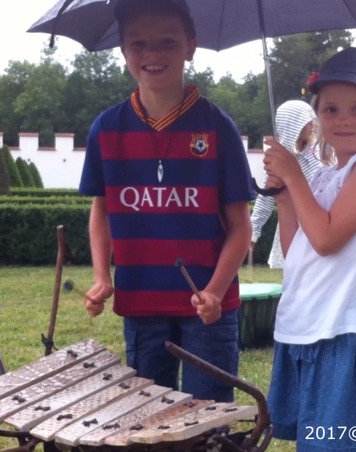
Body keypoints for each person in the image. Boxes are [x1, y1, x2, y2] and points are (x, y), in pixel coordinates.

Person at [78, 0, 255, 403]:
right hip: (141, 302)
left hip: (208, 310)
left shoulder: (217, 127)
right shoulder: (106, 129)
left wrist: (214, 290)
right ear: (123, 50)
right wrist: (102, 276)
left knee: (208, 422)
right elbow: (101, 211)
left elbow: (241, 226)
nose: (153, 54)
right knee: (147, 421)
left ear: (191, 46)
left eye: (168, 42)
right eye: (138, 43)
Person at [262, 47, 356, 451]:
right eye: (331, 110)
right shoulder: (327, 177)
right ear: (316, 116)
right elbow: (298, 251)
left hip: (345, 328)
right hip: (305, 326)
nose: (343, 120)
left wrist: (292, 172)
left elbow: (326, 239)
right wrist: (286, 196)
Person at [250, 100, 321, 269]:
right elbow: (267, 196)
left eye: (312, 120)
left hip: (319, 219)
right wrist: (254, 228)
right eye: (305, 122)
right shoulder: (281, 161)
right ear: (293, 125)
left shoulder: (317, 152)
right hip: (294, 224)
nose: (311, 126)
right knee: (297, 271)